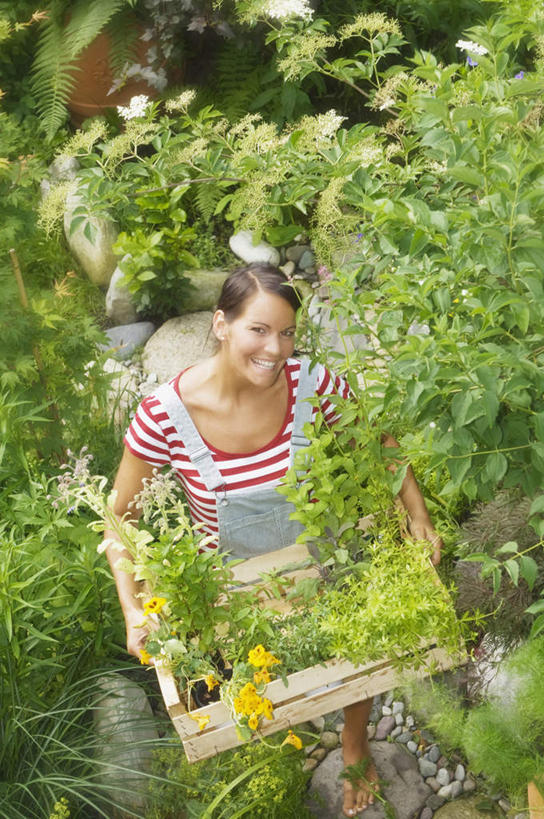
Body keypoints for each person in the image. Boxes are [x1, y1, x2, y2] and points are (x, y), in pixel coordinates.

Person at [105, 263, 443, 817]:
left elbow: (379, 444)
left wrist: (418, 515)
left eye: (287, 332)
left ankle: (355, 745)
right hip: (229, 582)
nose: (276, 348)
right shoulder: (165, 416)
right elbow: (119, 521)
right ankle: (284, 753)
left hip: (322, 554)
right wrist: (133, 608)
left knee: (356, 653)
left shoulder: (314, 384)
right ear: (221, 324)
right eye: (258, 330)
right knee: (254, 692)